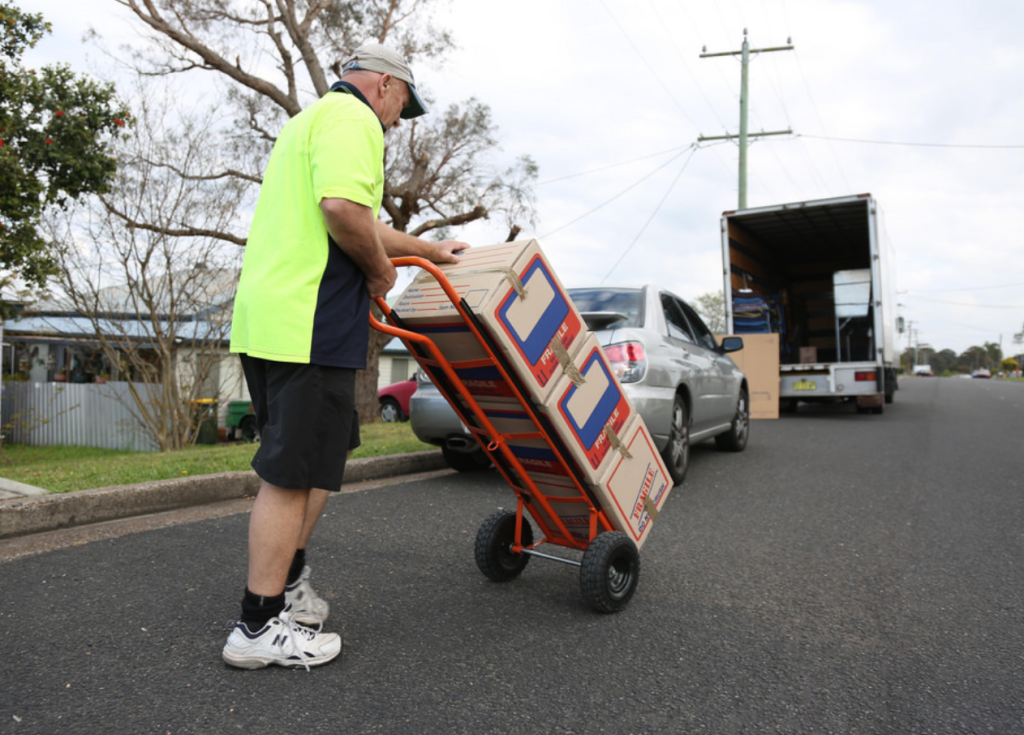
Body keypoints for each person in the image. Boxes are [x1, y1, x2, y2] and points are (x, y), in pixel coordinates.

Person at [222, 43, 469, 670]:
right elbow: (341, 213)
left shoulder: (308, 121)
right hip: (309, 319)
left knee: (319, 461)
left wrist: (428, 249)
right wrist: (384, 273)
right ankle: (258, 628)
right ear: (384, 85)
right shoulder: (356, 120)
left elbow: (353, 212)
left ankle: (287, 588)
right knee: (293, 472)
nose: (395, 120)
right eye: (401, 107)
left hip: (271, 318)